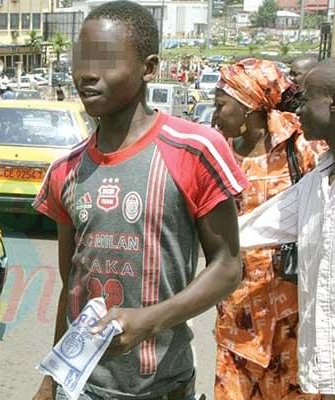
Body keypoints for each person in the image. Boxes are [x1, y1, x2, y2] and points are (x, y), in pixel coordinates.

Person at [31, 1, 247, 399]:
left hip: (162, 386)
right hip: (81, 389)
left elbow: (229, 266)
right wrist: (52, 379)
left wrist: (149, 321)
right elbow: (71, 288)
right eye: (81, 59)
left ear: (149, 68)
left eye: (106, 60)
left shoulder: (195, 150)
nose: (86, 74)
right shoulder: (66, 170)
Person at [212, 58, 325, 400]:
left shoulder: (301, 145)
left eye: (220, 106)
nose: (215, 115)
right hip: (236, 318)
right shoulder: (217, 152)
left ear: (248, 107)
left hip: (291, 319)